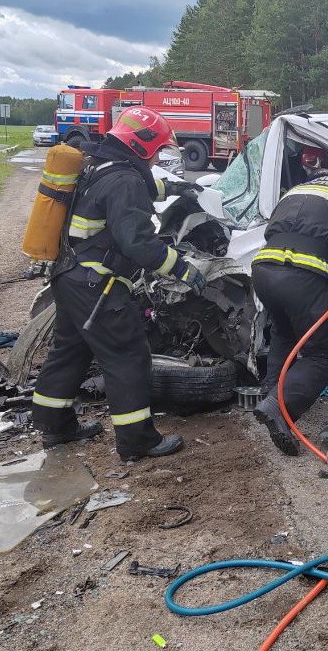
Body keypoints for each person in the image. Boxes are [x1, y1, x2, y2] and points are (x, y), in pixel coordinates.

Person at [32, 106, 206, 461]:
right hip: (98, 285)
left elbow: (129, 188)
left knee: (70, 350)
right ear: (142, 147)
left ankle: (55, 427)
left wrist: (173, 187)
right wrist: (182, 269)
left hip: (68, 277)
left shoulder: (96, 163)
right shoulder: (125, 179)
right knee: (128, 357)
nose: (158, 155)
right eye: (156, 149)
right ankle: (136, 441)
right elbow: (138, 243)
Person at [251, 162, 328, 455]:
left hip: (264, 270)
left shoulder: (296, 190)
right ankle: (279, 407)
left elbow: (270, 233)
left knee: (285, 334)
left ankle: (270, 393)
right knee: (325, 355)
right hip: (303, 275)